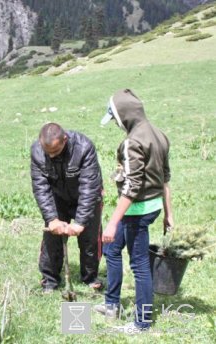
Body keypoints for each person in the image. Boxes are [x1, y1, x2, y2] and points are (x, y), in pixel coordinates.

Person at [94, 89, 173, 333]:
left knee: (139, 265)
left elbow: (131, 187)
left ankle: (142, 323)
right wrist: (169, 214)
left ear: (124, 116)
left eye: (116, 119)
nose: (117, 125)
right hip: (152, 206)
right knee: (111, 248)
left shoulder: (131, 143)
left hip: (136, 210)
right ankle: (111, 305)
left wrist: (111, 223)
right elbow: (165, 178)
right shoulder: (159, 135)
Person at [30, 122, 104, 293]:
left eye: (55, 152)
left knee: (90, 239)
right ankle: (49, 279)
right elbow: (40, 187)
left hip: (85, 197)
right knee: (51, 238)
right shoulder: (37, 151)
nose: (51, 156)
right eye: (47, 153)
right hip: (57, 197)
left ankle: (90, 277)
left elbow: (89, 187)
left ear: (65, 139)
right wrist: (52, 218)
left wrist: (80, 222)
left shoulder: (84, 147)